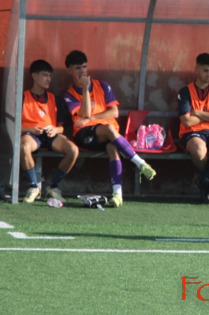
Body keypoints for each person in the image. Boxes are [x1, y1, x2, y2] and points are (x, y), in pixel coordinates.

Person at [64, 50, 156, 208]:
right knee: (109, 129)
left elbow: (114, 112)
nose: (82, 71)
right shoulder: (69, 94)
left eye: (84, 67)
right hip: (84, 134)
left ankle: (117, 195)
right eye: (77, 68)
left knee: (112, 146)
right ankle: (140, 163)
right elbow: (84, 114)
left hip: (106, 131)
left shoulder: (102, 85)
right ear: (69, 71)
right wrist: (85, 89)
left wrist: (91, 118)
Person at [19, 59, 78, 203]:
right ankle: (34, 187)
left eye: (50, 76)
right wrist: (30, 129)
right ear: (34, 76)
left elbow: (61, 127)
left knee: (73, 150)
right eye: (45, 75)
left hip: (51, 135)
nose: (49, 79)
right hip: (30, 134)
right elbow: (13, 125)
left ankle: (53, 187)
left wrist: (55, 129)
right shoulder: (22, 96)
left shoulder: (54, 99)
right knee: (24, 147)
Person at [177, 53, 209, 204]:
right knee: (200, 151)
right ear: (196, 69)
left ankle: (205, 182)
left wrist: (198, 113)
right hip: (192, 132)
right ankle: (208, 182)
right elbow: (186, 121)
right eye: (206, 70)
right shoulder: (185, 91)